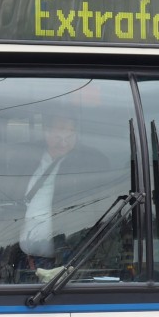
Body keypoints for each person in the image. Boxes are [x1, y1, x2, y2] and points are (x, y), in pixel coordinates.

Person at [20, 113, 107, 267]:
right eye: (59, 133)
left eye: (70, 134)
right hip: (25, 258)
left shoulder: (86, 163)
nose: (64, 140)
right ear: (46, 133)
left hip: (67, 258)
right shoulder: (28, 160)